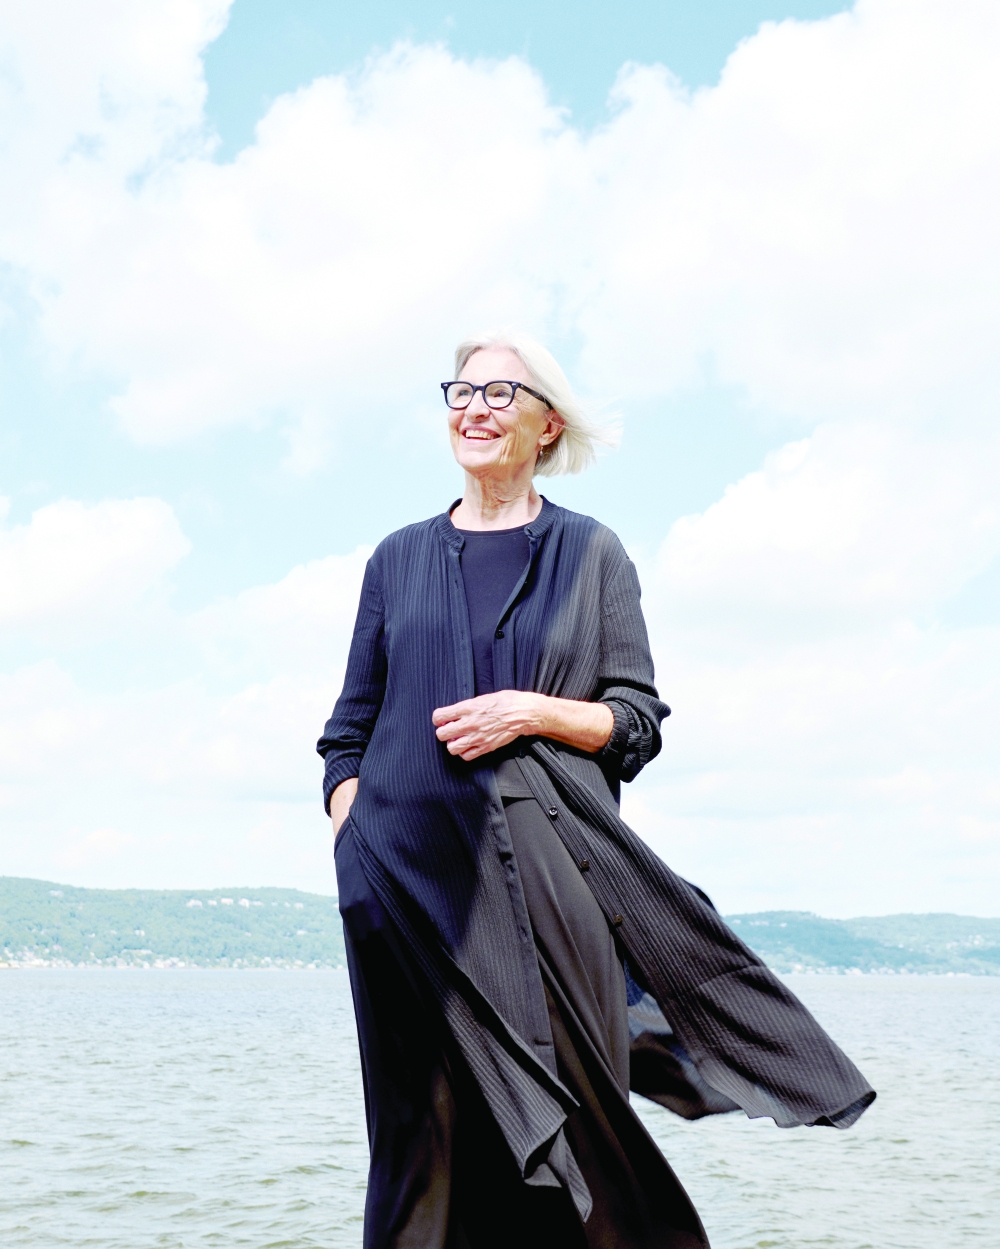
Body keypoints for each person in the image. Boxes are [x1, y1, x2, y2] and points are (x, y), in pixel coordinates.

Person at [318, 330, 874, 1249]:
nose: (476, 406)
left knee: (582, 1124)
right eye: (461, 389)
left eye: (503, 391)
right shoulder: (396, 560)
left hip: (552, 876)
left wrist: (529, 711)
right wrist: (355, 842)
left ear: (546, 424)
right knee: (422, 1143)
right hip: (404, 893)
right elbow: (348, 733)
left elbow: (635, 721)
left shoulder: (592, 553)